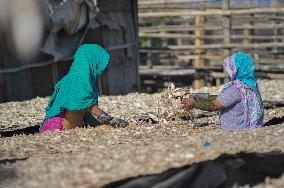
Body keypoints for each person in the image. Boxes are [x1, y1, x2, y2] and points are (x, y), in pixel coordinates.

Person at [40, 44, 128, 133]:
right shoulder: (79, 79)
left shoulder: (75, 77)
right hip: (58, 126)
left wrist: (98, 124)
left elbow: (82, 108)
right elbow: (85, 103)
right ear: (92, 60)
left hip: (61, 124)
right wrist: (109, 119)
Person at [181, 51, 264, 131]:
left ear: (237, 70)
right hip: (248, 126)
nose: (227, 73)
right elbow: (223, 98)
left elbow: (214, 105)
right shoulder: (250, 86)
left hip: (237, 129)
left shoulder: (236, 88)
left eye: (230, 69)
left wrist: (193, 103)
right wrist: (198, 96)